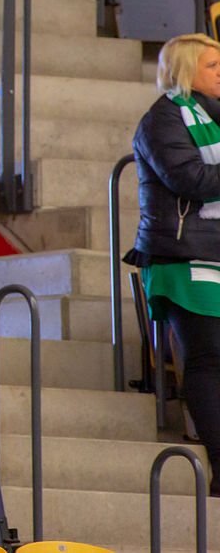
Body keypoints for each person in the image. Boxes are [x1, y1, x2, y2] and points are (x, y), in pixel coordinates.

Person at [128, 34, 220, 497]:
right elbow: (190, 178)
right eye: (213, 65)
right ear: (185, 71)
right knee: (208, 358)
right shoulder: (162, 118)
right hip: (183, 255)